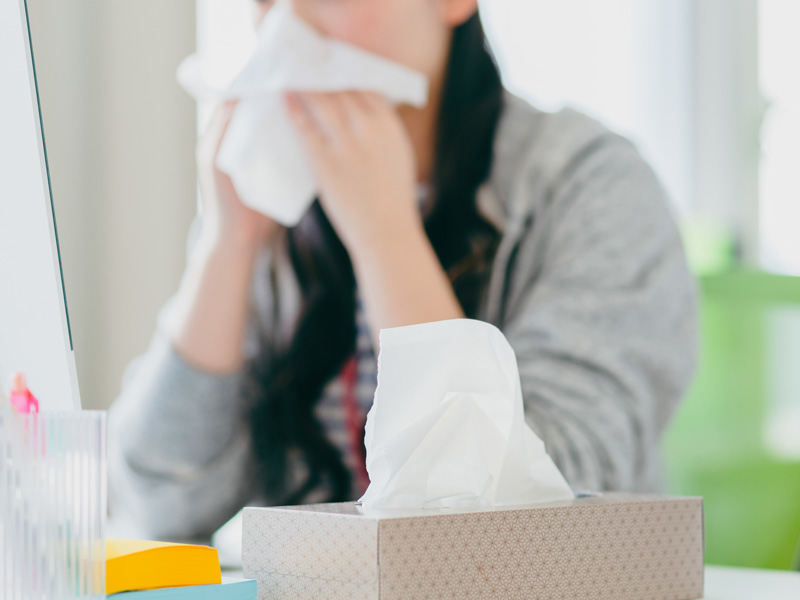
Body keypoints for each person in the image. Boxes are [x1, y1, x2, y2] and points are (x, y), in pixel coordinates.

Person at [108, 0, 697, 540]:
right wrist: (226, 245)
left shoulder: (591, 186)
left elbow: (526, 512)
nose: (290, 27)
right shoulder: (276, 207)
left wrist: (385, 233)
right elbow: (160, 504)